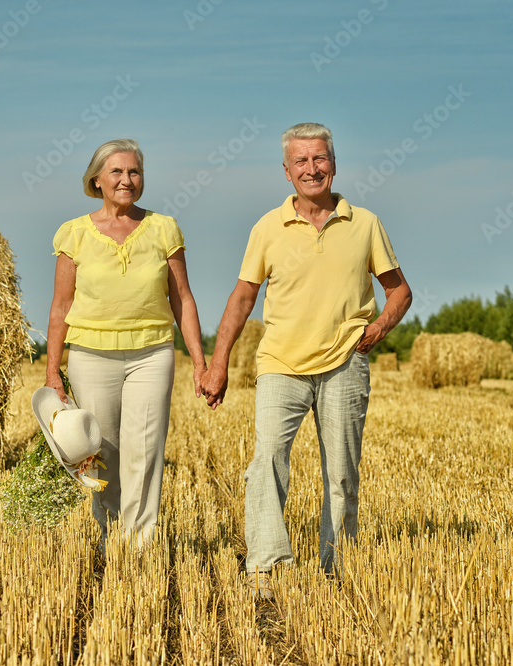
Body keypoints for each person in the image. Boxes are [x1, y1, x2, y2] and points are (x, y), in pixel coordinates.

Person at [200, 123, 412, 598]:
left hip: (345, 363)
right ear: (286, 171)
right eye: (302, 161)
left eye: (320, 159)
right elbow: (242, 298)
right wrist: (218, 364)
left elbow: (399, 290)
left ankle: (337, 566)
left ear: (333, 165)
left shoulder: (366, 223)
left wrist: (380, 327)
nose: (312, 169)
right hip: (281, 363)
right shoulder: (267, 227)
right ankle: (266, 568)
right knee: (267, 461)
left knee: (341, 470)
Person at [45, 138, 207, 548]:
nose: (126, 180)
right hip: (90, 357)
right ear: (96, 180)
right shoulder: (74, 234)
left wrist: (200, 362)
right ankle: (109, 538)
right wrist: (52, 369)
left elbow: (183, 299)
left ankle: (139, 548)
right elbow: (61, 305)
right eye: (116, 172)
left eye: (134, 171)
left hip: (152, 354)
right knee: (104, 455)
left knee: (146, 453)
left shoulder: (164, 228)